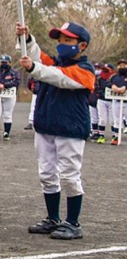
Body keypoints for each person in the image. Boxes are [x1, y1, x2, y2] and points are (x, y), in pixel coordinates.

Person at [18, 22, 94, 240]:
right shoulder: (55, 62)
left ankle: (73, 222)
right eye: (60, 40)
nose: (62, 44)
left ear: (82, 45)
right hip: (46, 125)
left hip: (70, 128)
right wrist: (27, 38)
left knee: (70, 175)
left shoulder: (85, 70)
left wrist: (34, 68)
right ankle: (53, 218)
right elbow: (39, 58)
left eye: (68, 41)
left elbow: (58, 77)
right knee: (47, 173)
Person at [0, 54, 22, 140]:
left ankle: (6, 133)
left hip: (9, 96)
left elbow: (17, 82)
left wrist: (5, 85)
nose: (3, 64)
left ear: (9, 62)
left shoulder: (14, 72)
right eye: (2, 62)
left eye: (5, 62)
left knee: (7, 114)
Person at [108, 59, 127, 145]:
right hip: (116, 100)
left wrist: (125, 87)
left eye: (124, 65)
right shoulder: (114, 77)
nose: (122, 67)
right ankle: (116, 137)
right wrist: (112, 85)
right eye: (120, 65)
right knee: (116, 120)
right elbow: (107, 84)